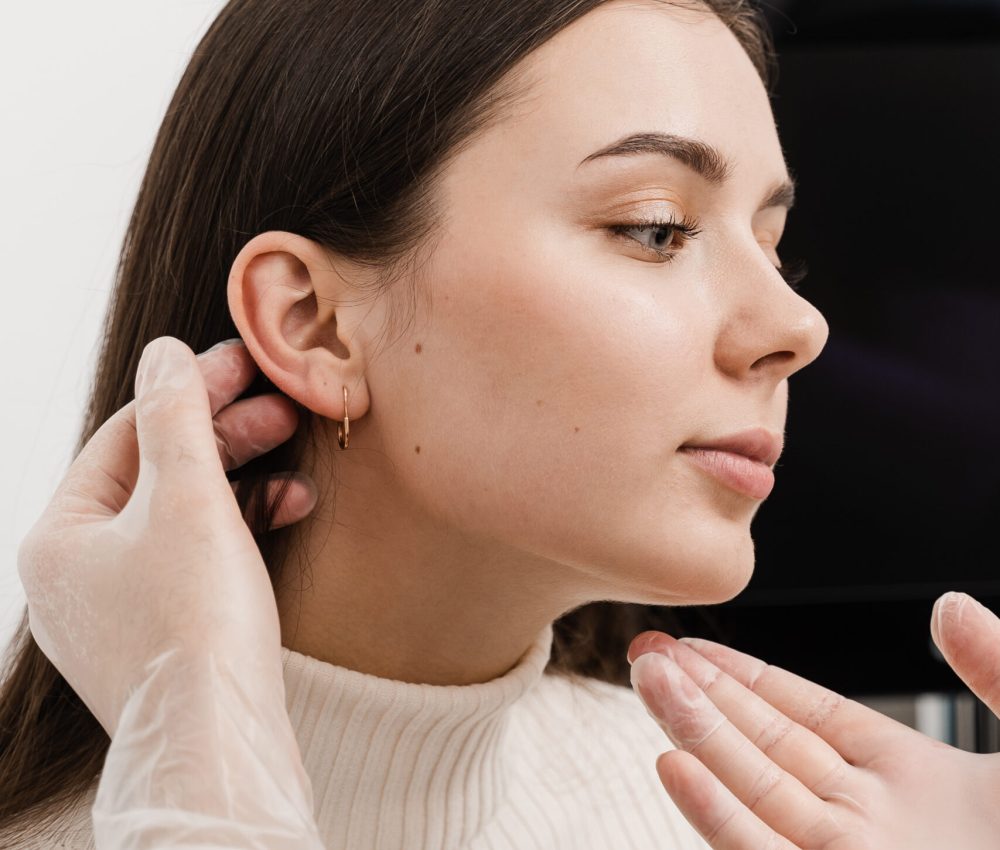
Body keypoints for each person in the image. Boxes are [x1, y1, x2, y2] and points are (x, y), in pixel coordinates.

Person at [5, 0, 886, 846]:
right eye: (655, 229)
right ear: (314, 323)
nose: (797, 327)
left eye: (773, 247)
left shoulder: (735, 818)